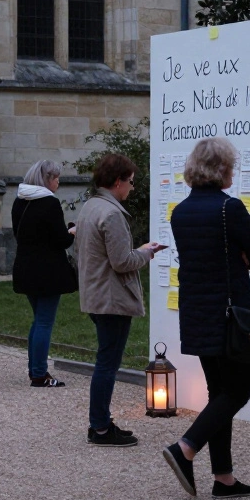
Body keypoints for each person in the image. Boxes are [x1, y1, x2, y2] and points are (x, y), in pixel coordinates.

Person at [160, 138, 250, 499]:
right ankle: (186, 448)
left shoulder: (180, 212)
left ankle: (223, 477)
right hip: (230, 315)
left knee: (219, 391)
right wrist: (241, 254)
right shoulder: (229, 209)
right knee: (238, 391)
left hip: (198, 311)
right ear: (222, 169)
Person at [76, 153, 163, 446]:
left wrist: (138, 249)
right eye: (131, 182)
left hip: (97, 293)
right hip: (111, 297)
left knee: (106, 360)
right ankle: (100, 428)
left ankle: (100, 422)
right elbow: (122, 262)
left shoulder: (91, 206)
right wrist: (148, 252)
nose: (133, 188)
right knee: (107, 364)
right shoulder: (111, 213)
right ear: (117, 182)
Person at [11, 159, 76, 388]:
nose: (58, 181)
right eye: (56, 177)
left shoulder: (19, 201)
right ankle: (38, 373)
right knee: (45, 322)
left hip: (25, 267)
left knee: (38, 320)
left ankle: (35, 368)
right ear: (47, 179)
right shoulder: (49, 203)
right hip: (48, 271)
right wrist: (73, 231)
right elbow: (61, 240)